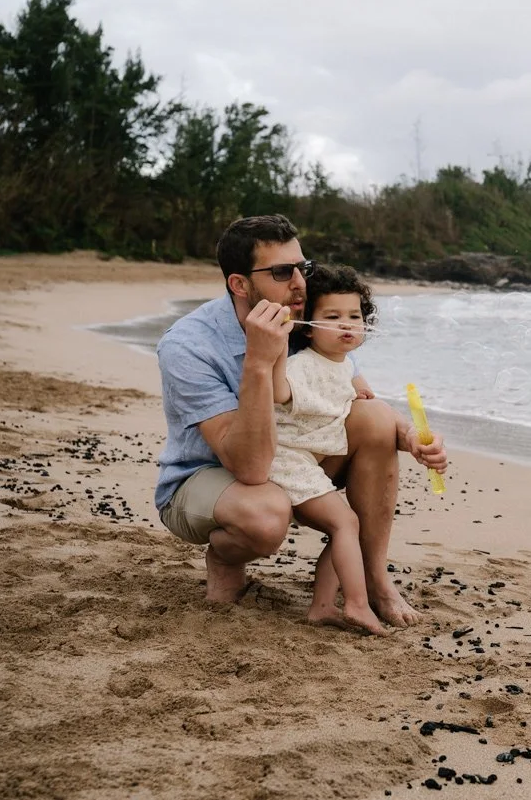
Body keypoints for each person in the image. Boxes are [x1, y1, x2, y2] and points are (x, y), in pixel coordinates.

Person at [154, 214, 446, 627]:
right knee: (266, 515)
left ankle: (376, 580)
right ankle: (224, 555)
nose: (299, 283)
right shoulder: (189, 346)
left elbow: (358, 396)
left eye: (302, 267)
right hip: (207, 477)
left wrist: (412, 436)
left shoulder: (309, 318)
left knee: (377, 421)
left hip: (293, 458)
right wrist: (259, 360)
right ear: (239, 284)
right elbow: (250, 467)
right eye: (281, 272)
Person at [270, 264, 392, 635]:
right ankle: (355, 603)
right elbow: (278, 392)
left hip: (313, 461)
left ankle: (322, 607)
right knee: (347, 523)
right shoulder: (302, 364)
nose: (347, 325)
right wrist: (277, 342)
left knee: (347, 526)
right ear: (308, 324)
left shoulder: (346, 366)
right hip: (288, 461)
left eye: (355, 316)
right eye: (333, 317)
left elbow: (367, 403)